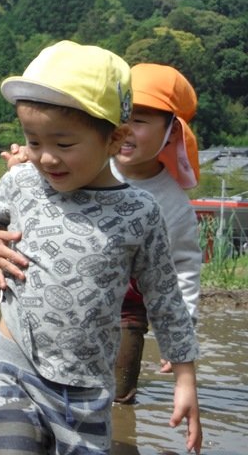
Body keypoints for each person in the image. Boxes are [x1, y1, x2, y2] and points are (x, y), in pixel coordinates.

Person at [0, 40, 202, 454]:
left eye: (64, 144)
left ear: (115, 139)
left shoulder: (139, 212)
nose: (45, 158)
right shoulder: (23, 183)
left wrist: (184, 378)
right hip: (12, 362)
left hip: (85, 386)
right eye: (33, 141)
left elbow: (165, 297)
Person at [112, 63, 202, 403]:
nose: (125, 129)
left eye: (139, 120)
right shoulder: (85, 166)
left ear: (172, 132)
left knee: (119, 399)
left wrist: (179, 336)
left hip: (129, 309)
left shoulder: (174, 204)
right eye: (120, 116)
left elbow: (184, 270)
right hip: (79, 294)